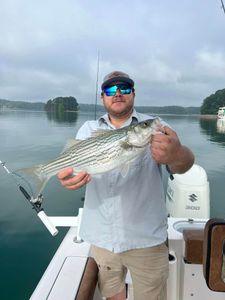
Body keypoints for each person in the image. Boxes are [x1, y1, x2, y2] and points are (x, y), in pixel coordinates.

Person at [57, 71, 194, 300]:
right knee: (112, 295)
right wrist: (70, 179)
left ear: (134, 93)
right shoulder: (88, 129)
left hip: (146, 239)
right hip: (102, 239)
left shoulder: (154, 126)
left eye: (125, 88)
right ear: (102, 97)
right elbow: (75, 168)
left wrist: (177, 152)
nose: (118, 93)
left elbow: (185, 164)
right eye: (110, 90)